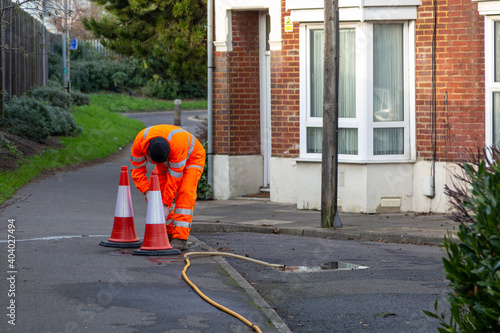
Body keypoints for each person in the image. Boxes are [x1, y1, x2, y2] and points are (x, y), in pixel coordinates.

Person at [130, 124, 206, 250]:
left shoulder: (178, 143)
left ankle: (180, 238)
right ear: (147, 152)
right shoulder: (139, 143)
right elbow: (137, 170)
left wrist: (165, 204)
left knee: (185, 192)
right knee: (157, 193)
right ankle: (167, 233)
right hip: (167, 163)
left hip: (192, 158)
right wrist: (147, 191)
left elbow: (174, 180)